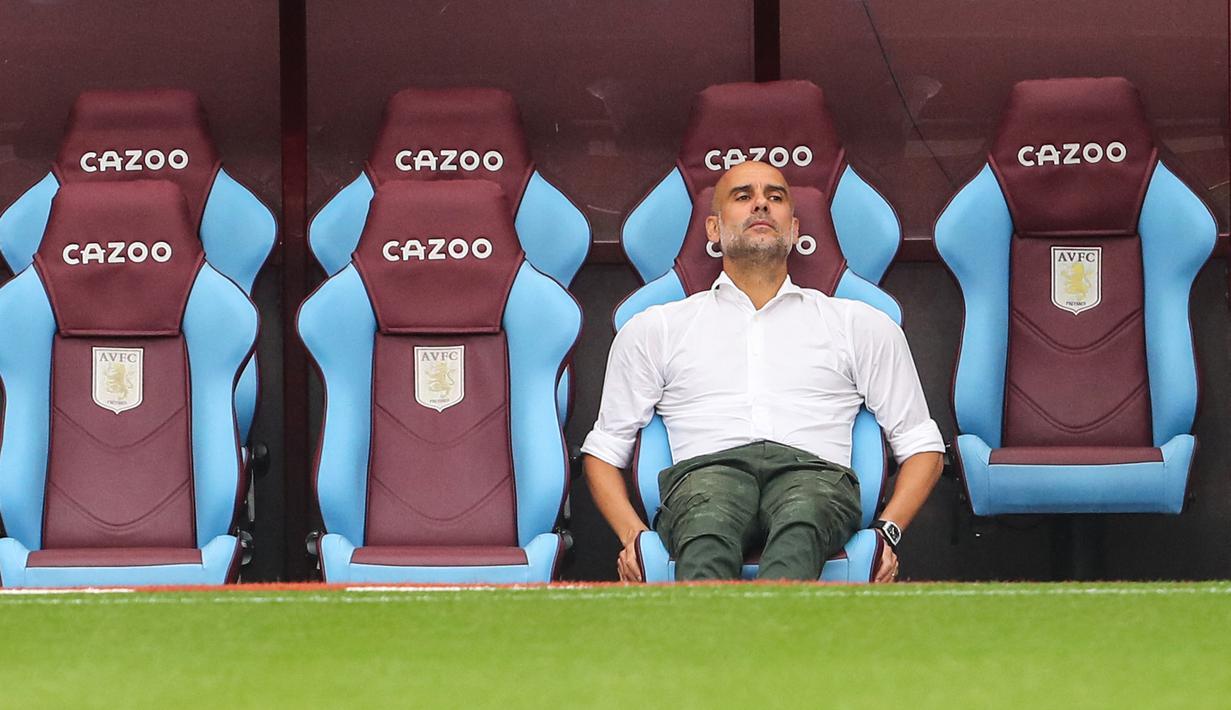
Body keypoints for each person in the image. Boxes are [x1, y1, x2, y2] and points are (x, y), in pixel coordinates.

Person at [581, 160, 944, 583]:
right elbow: (605, 452)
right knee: (707, 527)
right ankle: (712, 646)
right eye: (742, 196)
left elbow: (921, 444)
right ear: (713, 230)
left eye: (775, 197)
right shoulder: (654, 329)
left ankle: (771, 644)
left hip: (814, 478)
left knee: (803, 518)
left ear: (793, 230)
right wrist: (635, 540)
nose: (761, 205)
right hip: (705, 478)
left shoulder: (858, 325)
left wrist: (887, 533)